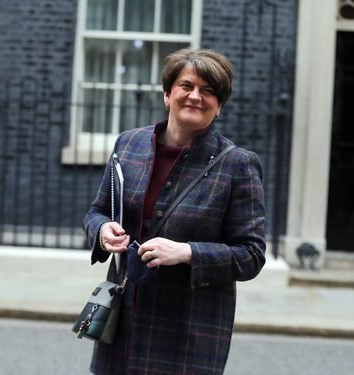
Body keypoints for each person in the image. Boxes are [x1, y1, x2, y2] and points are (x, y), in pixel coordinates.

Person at [83, 48, 266, 375]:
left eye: (208, 91)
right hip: (123, 320)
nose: (196, 96)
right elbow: (97, 211)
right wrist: (102, 229)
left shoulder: (238, 164)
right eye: (187, 86)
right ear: (168, 94)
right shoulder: (128, 144)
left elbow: (251, 255)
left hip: (188, 330)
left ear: (219, 105)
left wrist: (186, 252)